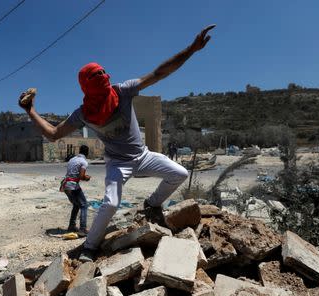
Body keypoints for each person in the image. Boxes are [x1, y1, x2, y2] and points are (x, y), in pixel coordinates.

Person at [19, 25, 215, 262]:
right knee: (110, 203)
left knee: (179, 173)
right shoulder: (83, 113)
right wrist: (31, 111)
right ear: (86, 86)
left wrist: (191, 50)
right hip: (117, 164)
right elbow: (53, 134)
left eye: (103, 72)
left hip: (143, 156)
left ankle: (152, 204)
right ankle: (89, 247)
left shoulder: (122, 91)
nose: (103, 76)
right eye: (96, 75)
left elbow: (160, 73)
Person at [60, 145, 91, 236]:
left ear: (79, 151)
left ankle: (71, 226)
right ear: (87, 153)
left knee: (76, 205)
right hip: (73, 186)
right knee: (84, 205)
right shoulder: (84, 162)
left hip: (65, 185)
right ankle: (82, 229)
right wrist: (87, 178)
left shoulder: (72, 159)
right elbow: (81, 176)